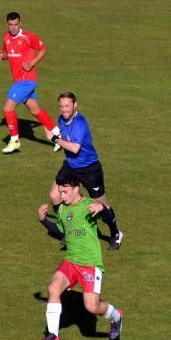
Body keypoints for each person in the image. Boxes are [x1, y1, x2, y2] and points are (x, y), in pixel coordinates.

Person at [37, 175, 124, 340]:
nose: (61, 196)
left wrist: (102, 208)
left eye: (65, 192)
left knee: (92, 307)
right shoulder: (62, 210)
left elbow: (109, 219)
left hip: (90, 265)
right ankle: (53, 336)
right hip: (71, 262)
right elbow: (61, 232)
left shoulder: (88, 205)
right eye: (60, 192)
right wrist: (44, 220)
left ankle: (116, 317)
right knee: (53, 288)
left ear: (76, 189)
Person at [50, 92, 123, 251]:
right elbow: (64, 136)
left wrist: (54, 139)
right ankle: (66, 230)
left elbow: (75, 148)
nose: (64, 109)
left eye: (67, 106)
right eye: (61, 106)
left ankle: (115, 233)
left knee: (101, 206)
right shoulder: (61, 119)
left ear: (75, 105)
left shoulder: (80, 122)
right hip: (70, 166)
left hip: (90, 168)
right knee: (55, 195)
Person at [0, 12, 61, 154]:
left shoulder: (28, 37)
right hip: (19, 79)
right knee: (35, 110)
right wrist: (3, 56)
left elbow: (43, 49)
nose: (13, 27)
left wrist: (32, 63)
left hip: (26, 80)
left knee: (8, 108)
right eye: (11, 25)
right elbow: (10, 54)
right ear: (7, 24)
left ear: (20, 23)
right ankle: (58, 135)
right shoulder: (6, 37)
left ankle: (14, 140)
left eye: (16, 24)